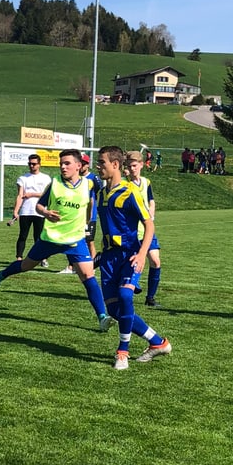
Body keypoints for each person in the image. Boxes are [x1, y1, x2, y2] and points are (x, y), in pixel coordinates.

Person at [0, 149, 113, 332]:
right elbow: (39, 205)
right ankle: (0, 275)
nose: (63, 166)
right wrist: (45, 213)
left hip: (75, 240)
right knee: (26, 266)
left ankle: (102, 317)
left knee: (88, 275)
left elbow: (96, 200)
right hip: (50, 238)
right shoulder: (54, 184)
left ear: (79, 165)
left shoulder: (90, 184)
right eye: (61, 163)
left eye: (67, 163)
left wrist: (86, 222)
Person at [94, 145, 172, 370]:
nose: (98, 166)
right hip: (109, 258)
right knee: (114, 310)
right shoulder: (101, 194)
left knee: (125, 296)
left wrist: (140, 254)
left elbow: (149, 224)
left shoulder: (131, 192)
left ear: (115, 165)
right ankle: (158, 342)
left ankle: (122, 352)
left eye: (102, 163)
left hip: (129, 255)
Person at [124, 151, 163, 307]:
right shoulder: (124, 184)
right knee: (134, 262)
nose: (132, 169)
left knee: (155, 261)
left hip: (147, 230)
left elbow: (151, 201)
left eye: (134, 165)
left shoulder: (146, 182)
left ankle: (150, 298)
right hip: (132, 231)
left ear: (141, 165)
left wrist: (150, 215)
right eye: (129, 166)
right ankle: (133, 283)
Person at [58, 152, 102, 274]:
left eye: (83, 163)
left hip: (89, 217)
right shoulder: (72, 178)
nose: (81, 165)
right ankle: (72, 266)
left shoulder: (93, 179)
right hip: (75, 216)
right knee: (72, 241)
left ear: (87, 164)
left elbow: (97, 195)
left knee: (89, 241)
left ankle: (91, 265)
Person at [10, 154, 51, 268]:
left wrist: (32, 194)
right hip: (26, 211)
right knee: (23, 235)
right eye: (30, 163)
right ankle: (19, 258)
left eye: (34, 164)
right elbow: (20, 195)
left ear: (39, 164)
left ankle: (42, 258)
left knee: (39, 237)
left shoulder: (46, 178)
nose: (31, 166)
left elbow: (47, 194)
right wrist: (16, 211)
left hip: (40, 211)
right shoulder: (23, 178)